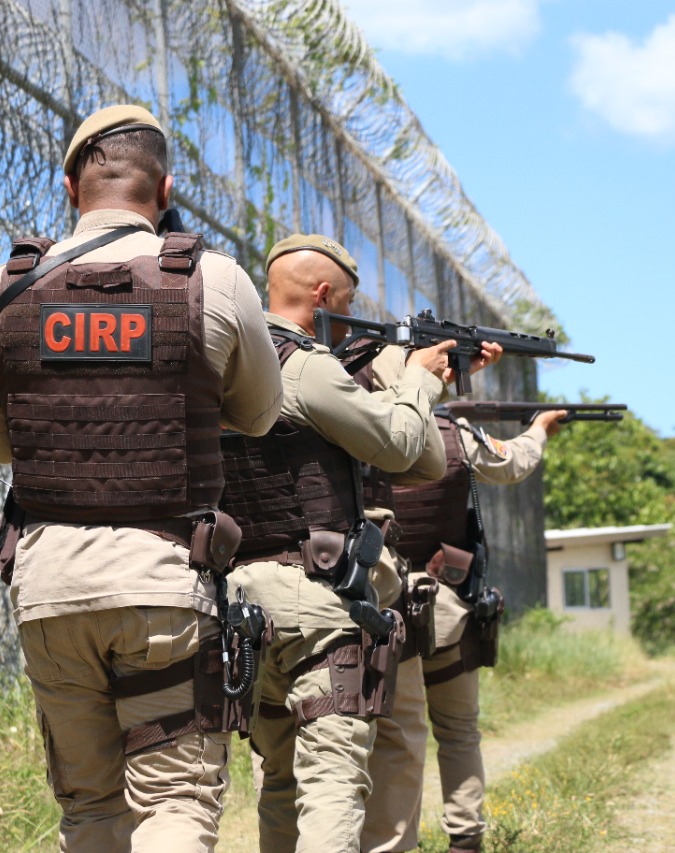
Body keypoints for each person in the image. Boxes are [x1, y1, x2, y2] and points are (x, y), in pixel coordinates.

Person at [0, 104, 282, 853]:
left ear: (71, 187)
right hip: (165, 578)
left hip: (49, 585)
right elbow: (261, 416)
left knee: (91, 808)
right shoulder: (217, 280)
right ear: (165, 188)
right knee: (173, 800)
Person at [219, 233, 467, 853]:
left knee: (277, 781)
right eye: (349, 302)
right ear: (326, 294)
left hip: (239, 603)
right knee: (331, 781)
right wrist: (418, 380)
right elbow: (415, 453)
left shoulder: (214, 364)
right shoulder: (306, 367)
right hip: (317, 600)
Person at [360, 404, 566, 853]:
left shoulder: (359, 423)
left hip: (380, 609)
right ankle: (466, 838)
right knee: (457, 731)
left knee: (392, 740)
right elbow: (513, 461)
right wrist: (540, 429)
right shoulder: (454, 432)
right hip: (445, 604)